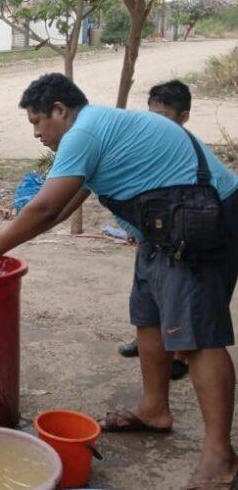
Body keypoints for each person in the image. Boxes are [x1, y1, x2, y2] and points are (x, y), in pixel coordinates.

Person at [0, 73, 238, 488]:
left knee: (198, 337)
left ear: (61, 110)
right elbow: (59, 210)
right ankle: (154, 409)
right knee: (147, 316)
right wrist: (5, 242)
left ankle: (220, 456)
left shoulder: (85, 131)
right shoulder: (94, 131)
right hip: (165, 225)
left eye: (39, 122)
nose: (38, 133)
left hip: (202, 216)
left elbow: (44, 210)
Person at [117, 79, 193, 381]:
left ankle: (180, 355)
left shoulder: (185, 148)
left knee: (180, 295)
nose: (155, 124)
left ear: (183, 115)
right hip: (151, 232)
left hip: (182, 234)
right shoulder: (149, 144)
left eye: (163, 117)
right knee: (148, 292)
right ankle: (150, 339)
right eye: (151, 115)